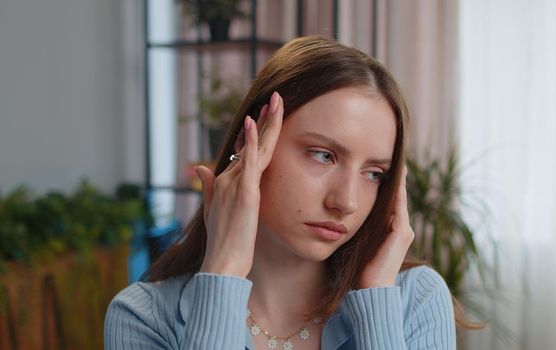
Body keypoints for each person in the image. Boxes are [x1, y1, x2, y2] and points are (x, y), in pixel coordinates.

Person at [105, 35, 457, 350]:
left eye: (374, 173)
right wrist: (223, 272)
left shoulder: (415, 299)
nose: (346, 202)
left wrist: (377, 299)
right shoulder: (143, 317)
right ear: (252, 145)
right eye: (324, 155)